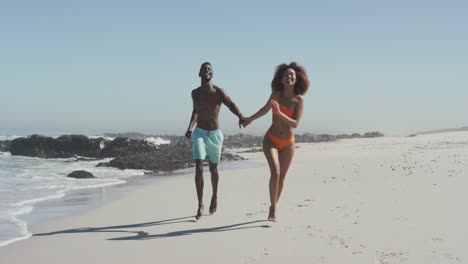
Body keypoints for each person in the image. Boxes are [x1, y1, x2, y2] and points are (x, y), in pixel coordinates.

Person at [244, 62, 310, 222]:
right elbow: (265, 109)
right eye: (286, 75)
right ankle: (273, 209)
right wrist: (250, 119)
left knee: (282, 177)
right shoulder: (276, 95)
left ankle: (273, 205)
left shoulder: (298, 100)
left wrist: (279, 112)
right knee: (275, 172)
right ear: (281, 79)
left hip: (288, 143)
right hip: (271, 139)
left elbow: (295, 124)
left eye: (292, 75)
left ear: (296, 79)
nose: (289, 77)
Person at [185, 62, 246, 220]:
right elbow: (195, 112)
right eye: (204, 69)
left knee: (213, 169)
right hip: (199, 133)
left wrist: (240, 116)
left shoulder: (218, 92)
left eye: (209, 70)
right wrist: (190, 127)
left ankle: (215, 197)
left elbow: (231, 104)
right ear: (199, 73)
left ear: (212, 74)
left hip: (215, 135)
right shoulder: (195, 93)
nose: (207, 71)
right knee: (199, 168)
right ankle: (200, 204)